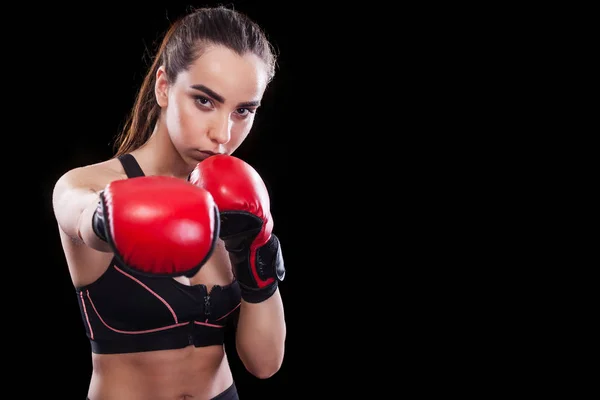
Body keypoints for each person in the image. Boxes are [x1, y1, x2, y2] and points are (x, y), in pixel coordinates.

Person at [51, 5, 286, 400]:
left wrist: (255, 249)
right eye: (205, 101)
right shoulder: (89, 183)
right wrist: (108, 219)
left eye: (243, 111)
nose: (223, 135)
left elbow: (265, 363)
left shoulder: (237, 201)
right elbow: (78, 210)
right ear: (164, 87)